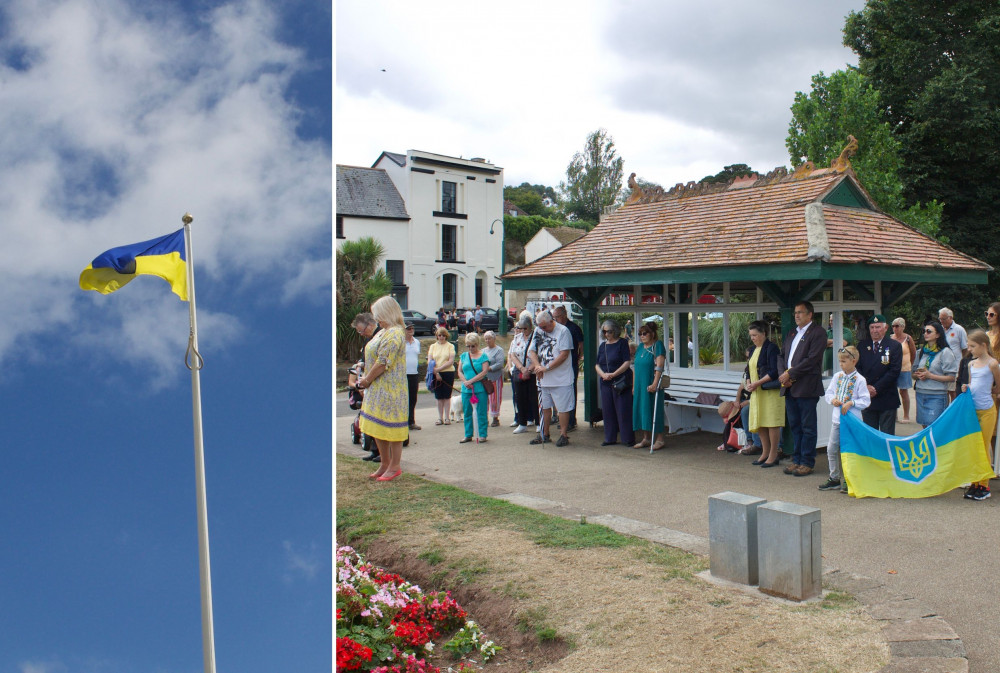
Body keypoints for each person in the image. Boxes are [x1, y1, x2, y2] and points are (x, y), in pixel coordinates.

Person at [356, 296, 408, 482]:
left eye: (378, 313)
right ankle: (384, 463)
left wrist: (367, 379)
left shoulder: (395, 333)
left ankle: (395, 465)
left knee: (392, 429)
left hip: (391, 388)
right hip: (377, 388)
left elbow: (383, 361)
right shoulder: (382, 332)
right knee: (377, 426)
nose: (376, 317)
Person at [778, 301, 826, 477]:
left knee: (808, 427)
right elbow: (781, 355)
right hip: (789, 387)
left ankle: (807, 461)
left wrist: (791, 375)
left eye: (800, 312)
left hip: (806, 388)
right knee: (795, 426)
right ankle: (796, 460)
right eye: (795, 313)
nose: (797, 315)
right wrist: (783, 375)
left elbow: (812, 360)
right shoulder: (792, 332)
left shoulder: (817, 332)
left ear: (810, 314)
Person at [819, 346, 870, 493]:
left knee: (850, 450)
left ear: (853, 361)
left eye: (844, 361)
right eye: (840, 361)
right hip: (837, 420)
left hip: (853, 421)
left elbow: (866, 401)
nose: (841, 364)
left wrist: (852, 403)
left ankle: (850, 479)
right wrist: (833, 400)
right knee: (831, 449)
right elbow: (828, 393)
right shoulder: (837, 377)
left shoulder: (860, 380)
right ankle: (834, 477)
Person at [961, 330, 1000, 500]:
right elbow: (972, 382)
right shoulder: (971, 364)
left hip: (987, 411)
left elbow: (998, 385)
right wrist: (966, 387)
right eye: (969, 346)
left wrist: (993, 392)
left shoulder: (993, 364)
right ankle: (974, 482)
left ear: (984, 345)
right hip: (972, 410)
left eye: (973, 346)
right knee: (973, 445)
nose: (970, 349)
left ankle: (984, 484)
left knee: (983, 446)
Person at [528, 310, 574, 447]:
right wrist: (537, 366)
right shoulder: (538, 330)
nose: (542, 330)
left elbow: (564, 354)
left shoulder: (563, 331)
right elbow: (532, 351)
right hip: (543, 378)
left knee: (563, 407)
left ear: (551, 321)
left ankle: (563, 434)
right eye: (540, 327)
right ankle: (544, 433)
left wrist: (546, 368)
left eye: (545, 327)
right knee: (544, 406)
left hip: (561, 378)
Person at [744, 321, 784, 467]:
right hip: (756, 391)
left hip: (769, 391)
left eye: (755, 335)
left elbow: (774, 371)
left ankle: (773, 454)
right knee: (760, 422)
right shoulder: (754, 349)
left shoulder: (772, 348)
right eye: (751, 335)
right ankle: (765, 452)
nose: (752, 338)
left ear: (764, 334)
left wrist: (757, 383)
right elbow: (748, 369)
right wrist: (749, 382)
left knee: (771, 422)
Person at [856, 314, 902, 435]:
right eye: (872, 327)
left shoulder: (894, 346)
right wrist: (866, 387)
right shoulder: (862, 346)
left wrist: (876, 388)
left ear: (885, 328)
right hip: (867, 397)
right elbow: (857, 368)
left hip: (886, 397)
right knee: (870, 435)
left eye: (878, 327)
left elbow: (894, 371)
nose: (875, 330)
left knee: (886, 435)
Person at [595, 319, 634, 447]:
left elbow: (626, 362)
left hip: (620, 381)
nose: (607, 334)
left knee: (623, 410)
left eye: (609, 331)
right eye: (604, 332)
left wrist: (614, 374)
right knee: (608, 410)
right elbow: (597, 364)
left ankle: (627, 438)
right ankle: (609, 437)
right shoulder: (603, 346)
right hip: (606, 381)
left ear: (615, 331)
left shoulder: (622, 343)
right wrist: (603, 375)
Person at [913, 321, 959, 428]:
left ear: (938, 334)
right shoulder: (921, 352)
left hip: (937, 395)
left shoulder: (945, 352)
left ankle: (935, 445)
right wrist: (918, 375)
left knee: (935, 427)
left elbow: (951, 377)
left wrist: (930, 376)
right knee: (924, 425)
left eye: (929, 331)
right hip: (920, 392)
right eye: (924, 331)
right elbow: (913, 373)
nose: (925, 334)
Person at [632, 322, 666, 451]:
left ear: (652, 334)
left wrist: (655, 383)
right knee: (642, 409)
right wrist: (634, 386)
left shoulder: (658, 346)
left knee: (654, 409)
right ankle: (646, 438)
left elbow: (659, 366)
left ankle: (660, 439)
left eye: (644, 333)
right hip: (640, 384)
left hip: (651, 383)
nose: (642, 336)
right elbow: (635, 367)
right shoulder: (640, 347)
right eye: (640, 334)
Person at [553, 305, 583, 430]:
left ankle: (571, 420)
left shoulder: (573, 328)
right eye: (554, 317)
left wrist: (578, 357)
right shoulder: (557, 328)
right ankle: (563, 419)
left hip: (571, 364)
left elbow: (581, 344)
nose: (556, 319)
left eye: (557, 317)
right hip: (560, 364)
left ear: (564, 315)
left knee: (570, 391)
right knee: (561, 392)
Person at [457, 332, 490, 443]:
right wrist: (465, 382)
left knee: (481, 411)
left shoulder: (483, 356)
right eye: (468, 346)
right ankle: (468, 434)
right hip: (466, 389)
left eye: (473, 346)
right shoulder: (464, 356)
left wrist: (471, 381)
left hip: (479, 388)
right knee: (467, 411)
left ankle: (482, 434)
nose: (471, 348)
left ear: (477, 344)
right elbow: (459, 371)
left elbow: (484, 371)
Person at [507, 316, 538, 433]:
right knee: (520, 397)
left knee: (534, 397)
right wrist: (521, 368)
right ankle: (522, 423)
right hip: (519, 371)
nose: (523, 331)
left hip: (533, 371)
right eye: (521, 328)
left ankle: (538, 422)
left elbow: (538, 355)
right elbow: (513, 355)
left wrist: (529, 370)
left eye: (525, 328)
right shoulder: (517, 338)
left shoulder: (536, 337)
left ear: (530, 327)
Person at [427, 327, 456, 425]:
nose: (441, 337)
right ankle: (440, 418)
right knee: (439, 397)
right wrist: (436, 372)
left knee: (447, 396)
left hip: (448, 372)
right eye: (439, 335)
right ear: (437, 336)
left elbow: (451, 361)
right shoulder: (433, 346)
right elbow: (430, 360)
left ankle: (447, 418)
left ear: (446, 336)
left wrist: (439, 369)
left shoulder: (450, 346)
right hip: (435, 372)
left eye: (443, 335)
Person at [891, 317, 917, 423]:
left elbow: (913, 353)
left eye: (897, 326)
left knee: (903, 391)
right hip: (892, 369)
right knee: (892, 391)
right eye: (893, 326)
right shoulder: (890, 338)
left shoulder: (908, 338)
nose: (895, 328)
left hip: (904, 368)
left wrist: (910, 364)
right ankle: (894, 415)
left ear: (902, 326)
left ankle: (906, 415)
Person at [737, 346, 763, 455]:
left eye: (750, 357)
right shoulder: (747, 370)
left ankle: (755, 442)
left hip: (758, 399)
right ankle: (748, 440)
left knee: (747, 410)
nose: (748, 359)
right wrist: (737, 401)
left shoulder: (760, 369)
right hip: (747, 399)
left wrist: (747, 402)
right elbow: (741, 387)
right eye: (746, 357)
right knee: (734, 409)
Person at [939, 307, 968, 401]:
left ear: (950, 318)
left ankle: (954, 411)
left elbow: (965, 348)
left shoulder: (959, 330)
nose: (941, 321)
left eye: (943, 319)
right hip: (942, 366)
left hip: (955, 366)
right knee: (943, 391)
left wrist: (963, 364)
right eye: (940, 319)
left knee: (953, 391)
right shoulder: (939, 330)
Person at [482, 331, 505, 427]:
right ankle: (484, 417)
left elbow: (500, 363)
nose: (487, 340)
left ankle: (495, 418)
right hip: (485, 378)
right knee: (484, 398)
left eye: (489, 338)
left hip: (495, 376)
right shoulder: (483, 350)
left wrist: (489, 368)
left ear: (494, 339)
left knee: (495, 398)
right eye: (486, 339)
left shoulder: (499, 350)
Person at [404, 323, 422, 431]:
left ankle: (411, 421)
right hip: (403, 374)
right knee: (404, 399)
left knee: (413, 398)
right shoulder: (401, 343)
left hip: (414, 374)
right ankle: (403, 422)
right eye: (408, 329)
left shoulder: (417, 342)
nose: (411, 330)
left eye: (412, 328)